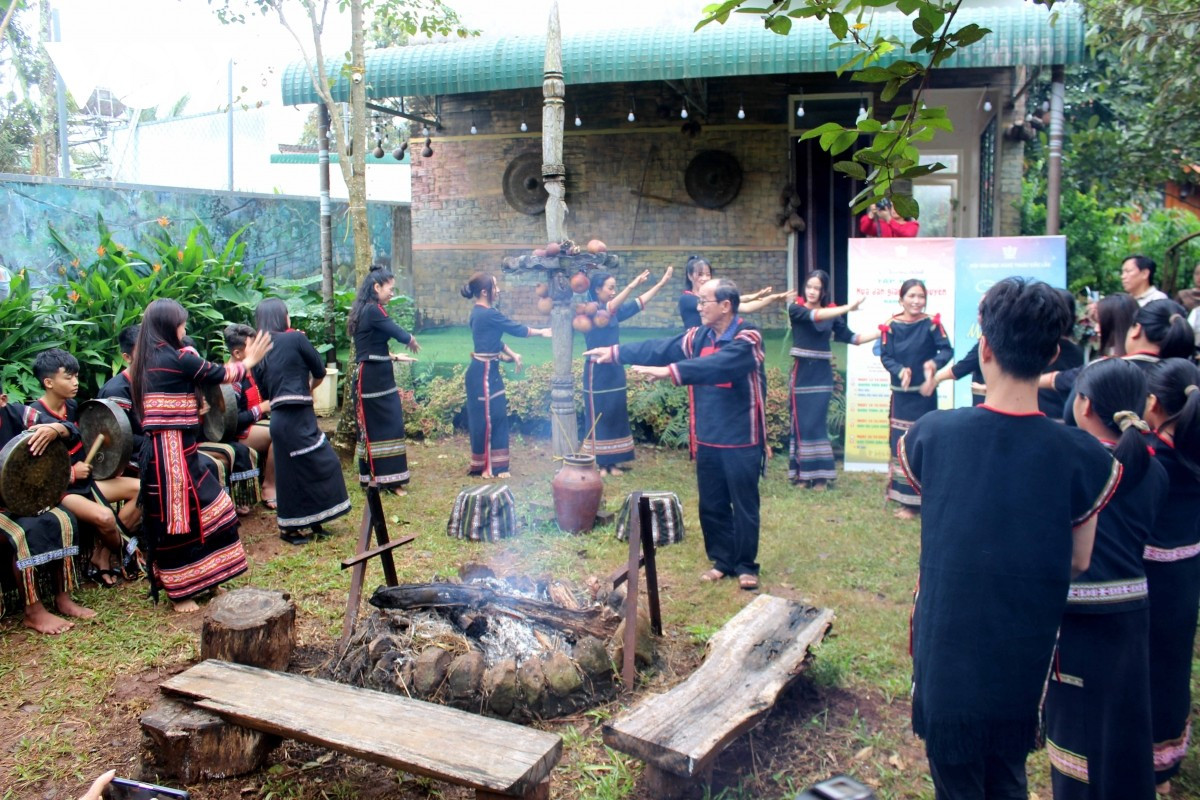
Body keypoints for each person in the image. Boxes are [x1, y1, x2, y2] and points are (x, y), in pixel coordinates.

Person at [899, 277, 1119, 799]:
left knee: (955, 780)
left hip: (948, 646)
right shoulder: (1084, 456)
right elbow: (1080, 560)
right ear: (1051, 355)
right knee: (1007, 774)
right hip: (1023, 646)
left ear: (985, 349)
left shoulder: (931, 434)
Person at [585, 278, 767, 591]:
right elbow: (661, 347)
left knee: (744, 503)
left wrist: (672, 372)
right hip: (708, 436)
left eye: (704, 301)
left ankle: (746, 564)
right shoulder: (698, 336)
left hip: (741, 437)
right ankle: (722, 560)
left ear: (725, 305)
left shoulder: (747, 337)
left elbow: (719, 366)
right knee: (711, 503)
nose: (698, 307)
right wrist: (615, 352)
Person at [1044, 358, 1166, 799]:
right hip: (1133, 617)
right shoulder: (1154, 471)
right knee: (1124, 730)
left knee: (1076, 742)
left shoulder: (1073, 465)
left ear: (1084, 404)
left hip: (1079, 620)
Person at [130, 298, 272, 612]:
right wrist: (250, 361)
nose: (184, 328)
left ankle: (210, 577)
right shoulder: (172, 358)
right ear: (169, 325)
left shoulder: (150, 358)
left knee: (212, 507)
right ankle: (181, 592)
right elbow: (219, 374)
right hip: (168, 458)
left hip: (181, 450)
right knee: (176, 522)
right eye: (181, 322)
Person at [32, 348, 141, 587]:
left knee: (144, 490)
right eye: (68, 377)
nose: (75, 382)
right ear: (48, 382)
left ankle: (102, 554)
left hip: (89, 481)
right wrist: (71, 474)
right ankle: (125, 552)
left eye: (76, 376)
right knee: (104, 516)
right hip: (62, 491)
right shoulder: (34, 417)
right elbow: (33, 473)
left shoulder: (76, 408)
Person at [1140, 358, 1200, 793]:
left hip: (1145, 580)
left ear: (1154, 403)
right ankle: (1164, 767)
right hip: (1185, 580)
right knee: (1173, 664)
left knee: (1138, 666)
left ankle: (1136, 759)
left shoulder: (1147, 456)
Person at [254, 299, 350, 544]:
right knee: (322, 463)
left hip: (280, 419)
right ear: (282, 317)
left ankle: (308, 522)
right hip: (298, 415)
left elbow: (264, 393)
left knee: (294, 472)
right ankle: (290, 529)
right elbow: (319, 370)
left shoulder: (258, 350)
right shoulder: (295, 338)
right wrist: (308, 389)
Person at [0, 391, 95, 633]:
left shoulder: (21, 414)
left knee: (62, 519)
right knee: (27, 531)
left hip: (26, 498)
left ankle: (62, 598)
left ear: (2, 399)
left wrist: (55, 430)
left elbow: (69, 429)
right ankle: (33, 611)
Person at [786, 270, 878, 489]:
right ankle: (803, 474)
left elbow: (853, 338)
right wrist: (847, 308)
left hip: (822, 375)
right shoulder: (796, 309)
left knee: (816, 423)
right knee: (802, 423)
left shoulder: (832, 314)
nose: (811, 291)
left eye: (817, 288)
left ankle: (820, 477)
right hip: (801, 374)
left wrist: (882, 331)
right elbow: (815, 317)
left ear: (823, 291)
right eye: (809, 286)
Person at [581, 267, 673, 475]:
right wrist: (632, 284)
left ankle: (613, 462)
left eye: (616, 288)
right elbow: (611, 307)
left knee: (615, 412)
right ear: (597, 290)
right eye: (610, 288)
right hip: (595, 371)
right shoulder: (591, 311)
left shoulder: (614, 313)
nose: (613, 291)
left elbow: (640, 302)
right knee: (599, 415)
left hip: (615, 367)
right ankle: (601, 462)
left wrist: (660, 284)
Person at [463, 272, 550, 477]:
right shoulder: (487, 313)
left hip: (489, 370)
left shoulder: (480, 312)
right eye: (495, 286)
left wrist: (511, 355)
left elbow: (494, 340)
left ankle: (497, 465)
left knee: (498, 413)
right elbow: (516, 329)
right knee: (486, 418)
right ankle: (486, 467)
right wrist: (542, 331)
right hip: (481, 374)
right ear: (485, 292)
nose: (499, 289)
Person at [879, 279, 952, 519]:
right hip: (901, 397)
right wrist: (900, 370)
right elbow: (886, 356)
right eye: (911, 296)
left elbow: (946, 350)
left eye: (921, 296)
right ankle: (905, 500)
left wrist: (934, 364)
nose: (916, 301)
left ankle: (926, 497)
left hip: (925, 395)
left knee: (924, 442)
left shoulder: (932, 324)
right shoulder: (891, 326)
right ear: (901, 299)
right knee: (902, 444)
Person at [349, 267, 420, 495]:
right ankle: (379, 480)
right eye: (390, 288)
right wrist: (410, 339)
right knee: (379, 427)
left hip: (379, 376)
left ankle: (389, 479)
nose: (392, 292)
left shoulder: (369, 310)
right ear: (377, 287)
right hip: (370, 380)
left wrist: (395, 356)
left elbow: (371, 345)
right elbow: (397, 332)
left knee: (389, 424)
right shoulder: (373, 310)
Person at [224, 324, 276, 509]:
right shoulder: (231, 380)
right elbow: (233, 422)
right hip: (237, 433)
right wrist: (261, 408)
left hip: (252, 425)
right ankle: (269, 487)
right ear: (238, 354)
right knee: (279, 433)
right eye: (252, 347)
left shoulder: (251, 370)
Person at [677, 255, 787, 328]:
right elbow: (726, 302)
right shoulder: (686, 299)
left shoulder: (716, 300)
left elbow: (746, 308)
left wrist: (772, 298)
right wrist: (752, 296)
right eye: (700, 274)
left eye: (708, 274)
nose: (705, 278)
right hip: (693, 345)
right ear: (690, 276)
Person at [97, 324, 145, 477]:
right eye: (143, 351)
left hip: (147, 447)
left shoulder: (152, 381)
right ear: (126, 357)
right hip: (127, 457)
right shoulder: (116, 391)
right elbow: (119, 438)